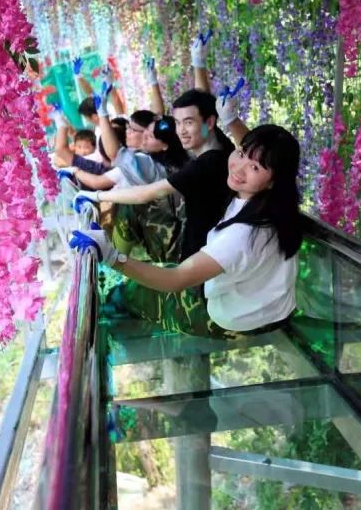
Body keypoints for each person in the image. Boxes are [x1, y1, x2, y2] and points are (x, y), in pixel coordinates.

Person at [74, 124, 304, 337]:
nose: (239, 168)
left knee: (126, 294)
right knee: (155, 271)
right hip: (270, 311)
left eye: (254, 167)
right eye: (241, 153)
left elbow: (176, 279)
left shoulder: (244, 234)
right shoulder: (276, 206)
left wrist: (112, 257)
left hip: (236, 322)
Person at [78, 88, 234, 261]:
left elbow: (143, 194)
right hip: (204, 251)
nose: (181, 131)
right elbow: (203, 109)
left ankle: (109, 261)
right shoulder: (223, 148)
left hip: (194, 258)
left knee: (129, 209)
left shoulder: (202, 164)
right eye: (178, 123)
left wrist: (96, 196)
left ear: (210, 122)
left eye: (188, 123)